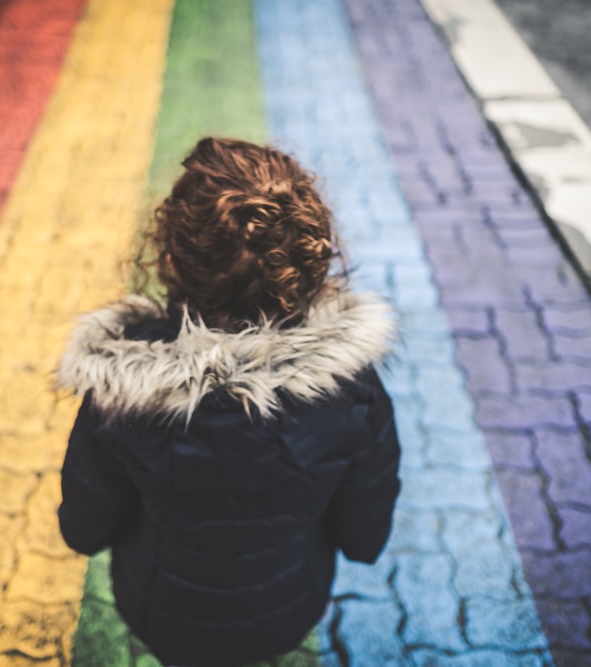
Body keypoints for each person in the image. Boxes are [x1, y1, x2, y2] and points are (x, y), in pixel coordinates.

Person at [55, 137, 401, 667]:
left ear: (172, 256)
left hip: (161, 607)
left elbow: (85, 527)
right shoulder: (353, 391)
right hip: (288, 604)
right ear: (308, 256)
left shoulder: (121, 392)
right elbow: (363, 534)